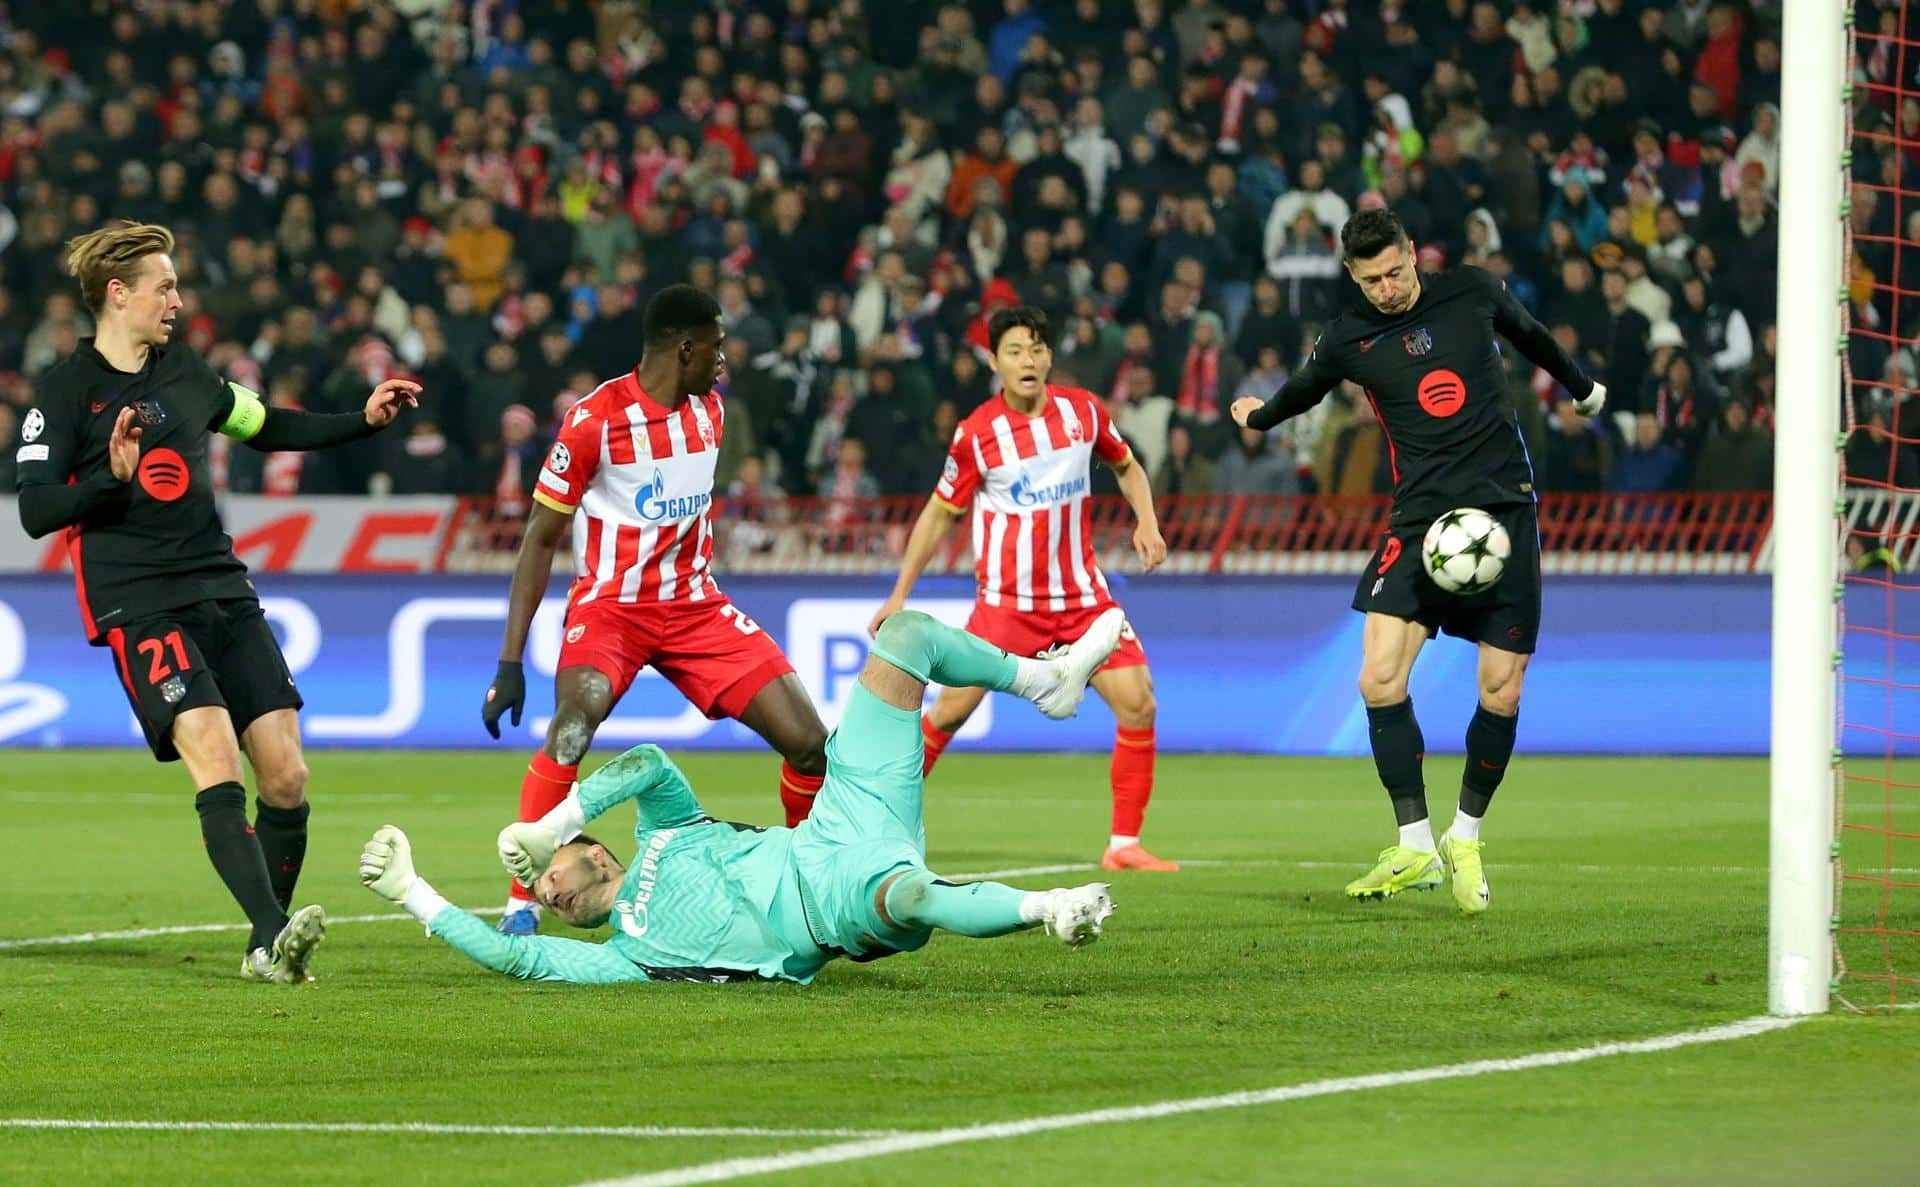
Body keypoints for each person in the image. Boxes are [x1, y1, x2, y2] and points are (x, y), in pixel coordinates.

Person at [15, 221, 421, 982]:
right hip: (139, 603)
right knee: (213, 753)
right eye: (163, 286)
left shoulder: (190, 375)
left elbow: (266, 425)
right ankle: (271, 934)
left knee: (287, 777)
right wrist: (109, 478)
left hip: (223, 589)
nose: (176, 299)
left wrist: (359, 423)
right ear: (118, 294)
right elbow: (35, 508)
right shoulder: (65, 390)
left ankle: (266, 943)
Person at [360, 609, 1125, 983]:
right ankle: (1048, 908)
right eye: (541, 888)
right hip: (823, 901)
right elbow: (516, 960)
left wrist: (555, 815)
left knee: (905, 638)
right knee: (912, 894)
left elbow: (651, 763)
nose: (544, 888)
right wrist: (413, 892)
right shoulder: (627, 957)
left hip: (841, 815)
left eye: (548, 871)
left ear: (594, 851)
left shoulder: (671, 828)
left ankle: (1044, 680)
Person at [1230, 208, 1605, 914]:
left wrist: (1583, 388)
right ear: (1353, 275)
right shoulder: (1349, 338)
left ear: (1413, 254)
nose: (1388, 288)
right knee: (1377, 677)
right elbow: (1301, 391)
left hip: (1502, 514)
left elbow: (1532, 336)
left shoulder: (1471, 291)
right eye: (1372, 279)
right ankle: (1413, 844)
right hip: (1419, 522)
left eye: (1396, 271)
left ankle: (1466, 836)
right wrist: (1258, 417)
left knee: (1501, 689)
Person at [479, 284, 830, 936]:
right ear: (686, 348)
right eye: (718, 347)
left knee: (811, 744)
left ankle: (805, 887)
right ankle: (520, 901)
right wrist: (509, 659)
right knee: (572, 725)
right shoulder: (593, 420)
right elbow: (539, 537)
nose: (725, 360)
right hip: (612, 608)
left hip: (695, 606)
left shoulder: (712, 413)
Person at [868, 306, 1177, 872]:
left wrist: (1147, 522)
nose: (1027, 360)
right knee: (946, 716)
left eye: (1036, 348)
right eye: (1014, 350)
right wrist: (898, 595)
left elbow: (1127, 466)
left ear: (1050, 356)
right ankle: (881, 830)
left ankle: (1124, 845)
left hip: (1083, 600)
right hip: (1007, 607)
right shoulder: (977, 434)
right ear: (994, 361)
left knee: (1139, 703)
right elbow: (939, 515)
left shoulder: (1083, 411)